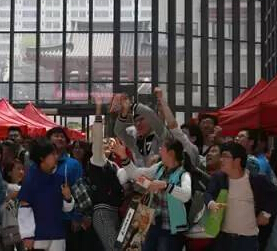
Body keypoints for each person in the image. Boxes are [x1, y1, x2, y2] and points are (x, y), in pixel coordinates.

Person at [114, 136, 192, 251]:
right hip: (153, 223)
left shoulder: (183, 175)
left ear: (171, 153)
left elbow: (186, 195)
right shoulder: (159, 168)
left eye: (162, 148)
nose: (159, 150)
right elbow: (136, 174)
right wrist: (124, 156)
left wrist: (165, 185)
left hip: (171, 229)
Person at [204, 142, 277, 251]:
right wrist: (211, 203)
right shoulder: (219, 178)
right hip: (224, 239)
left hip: (247, 240)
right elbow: (208, 193)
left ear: (237, 161)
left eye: (225, 156)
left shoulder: (256, 180)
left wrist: (266, 213)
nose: (221, 160)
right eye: (221, 156)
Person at [18, 138, 75, 251]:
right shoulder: (30, 179)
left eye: (56, 154)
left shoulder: (60, 178)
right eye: (52, 154)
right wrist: (27, 235)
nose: (56, 157)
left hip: (58, 235)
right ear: (42, 157)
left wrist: (68, 198)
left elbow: (67, 209)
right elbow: (24, 209)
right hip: (37, 237)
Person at [87, 96, 128, 251]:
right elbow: (97, 138)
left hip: (116, 211)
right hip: (102, 211)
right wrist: (98, 110)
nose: (107, 144)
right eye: (104, 142)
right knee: (114, 248)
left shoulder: (114, 166)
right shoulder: (97, 160)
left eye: (110, 142)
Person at [46, 126, 83, 249]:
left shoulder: (73, 164)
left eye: (62, 137)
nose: (60, 138)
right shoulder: (40, 162)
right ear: (48, 140)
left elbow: (80, 193)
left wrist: (77, 217)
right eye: (56, 136)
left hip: (66, 219)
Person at [114, 85, 168, 167]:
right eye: (135, 121)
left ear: (150, 120)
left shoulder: (161, 135)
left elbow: (150, 114)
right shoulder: (134, 141)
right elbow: (118, 131)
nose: (138, 124)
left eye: (141, 119)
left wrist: (131, 106)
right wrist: (124, 113)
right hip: (139, 174)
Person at [0, 157, 24, 251]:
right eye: (18, 169)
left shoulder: (21, 188)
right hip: (7, 230)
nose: (21, 172)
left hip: (22, 230)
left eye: (22, 169)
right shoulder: (5, 186)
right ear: (9, 172)